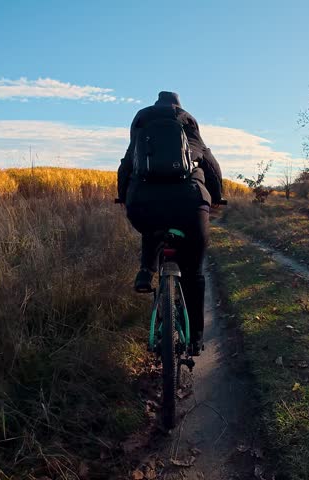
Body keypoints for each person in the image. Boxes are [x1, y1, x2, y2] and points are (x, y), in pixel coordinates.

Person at [117, 91, 222, 356]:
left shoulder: (142, 122)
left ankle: (146, 270)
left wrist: (123, 196)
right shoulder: (187, 121)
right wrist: (217, 197)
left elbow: (126, 165)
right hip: (190, 203)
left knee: (153, 226)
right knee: (194, 273)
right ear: (178, 105)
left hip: (142, 202)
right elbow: (210, 163)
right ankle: (196, 338)